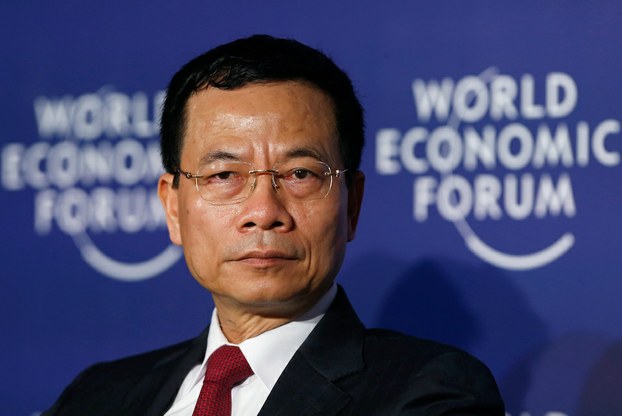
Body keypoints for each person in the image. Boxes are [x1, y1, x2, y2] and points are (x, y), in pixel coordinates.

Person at [44, 34, 505, 416]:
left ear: (352, 205)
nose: (264, 211)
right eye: (224, 175)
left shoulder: (430, 393)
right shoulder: (96, 397)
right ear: (173, 208)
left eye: (300, 173)